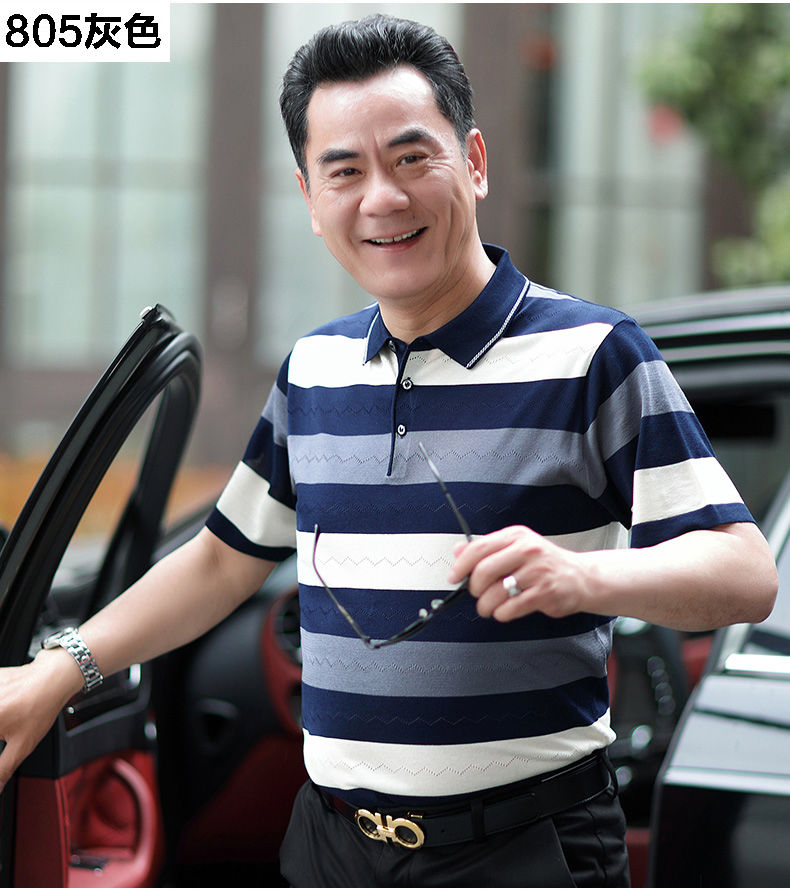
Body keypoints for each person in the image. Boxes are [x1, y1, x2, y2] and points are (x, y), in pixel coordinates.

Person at [0, 13, 778, 888]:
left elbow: (745, 573)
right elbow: (220, 562)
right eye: (345, 171)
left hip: (524, 852)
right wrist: (57, 672)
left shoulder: (595, 356)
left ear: (473, 162)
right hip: (332, 849)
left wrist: (587, 576)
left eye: (412, 158)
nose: (383, 198)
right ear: (310, 199)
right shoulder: (314, 369)